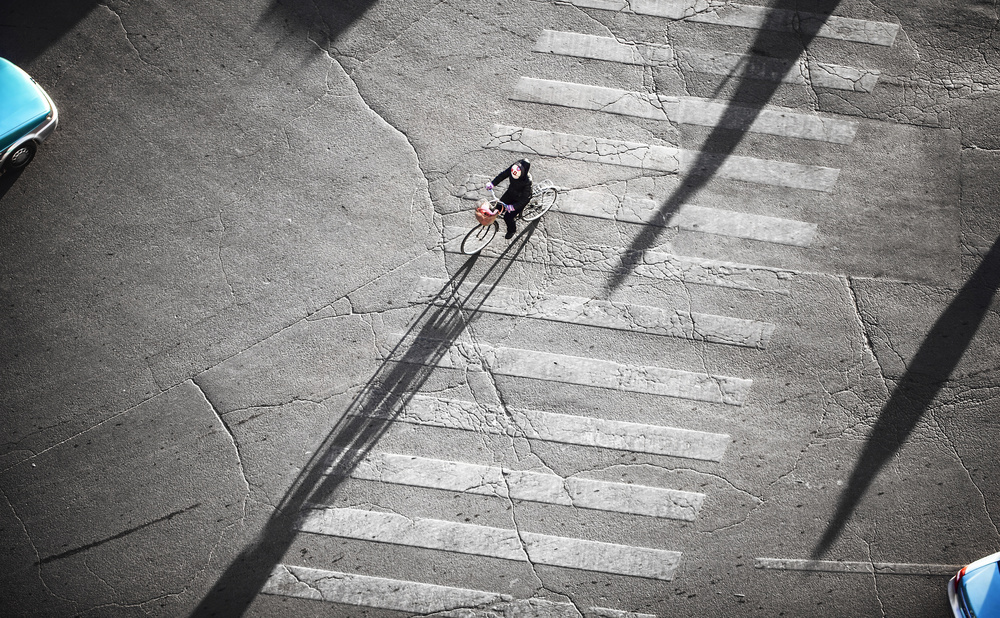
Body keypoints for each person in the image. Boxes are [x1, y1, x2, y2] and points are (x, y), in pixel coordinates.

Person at [486, 159, 532, 239]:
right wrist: (493, 183)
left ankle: (512, 230)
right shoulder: (513, 169)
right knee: (498, 207)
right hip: (511, 193)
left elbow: (525, 199)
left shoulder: (527, 181)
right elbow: (503, 175)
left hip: (520, 200)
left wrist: (514, 207)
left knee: (508, 217)